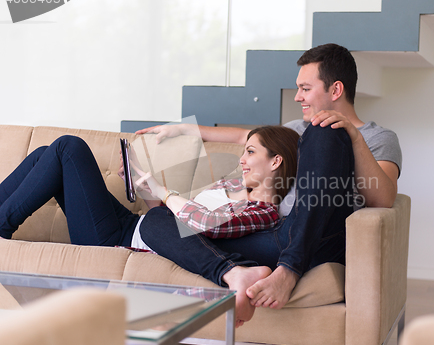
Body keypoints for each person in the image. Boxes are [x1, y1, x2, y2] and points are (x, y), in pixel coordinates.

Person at [136, 43, 402, 317]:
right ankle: (234, 274)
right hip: (277, 233)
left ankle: (289, 271)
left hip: (324, 236)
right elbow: (245, 137)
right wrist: (185, 129)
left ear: (336, 90)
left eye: (306, 89)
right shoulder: (295, 129)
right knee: (156, 221)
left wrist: (353, 137)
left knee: (326, 131)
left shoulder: (378, 137)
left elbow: (382, 198)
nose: (298, 97)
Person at [0, 125, 299, 327]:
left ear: (275, 162)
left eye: (250, 152)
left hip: (117, 240)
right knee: (46, 153)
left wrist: (158, 188)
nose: (241, 159)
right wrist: (138, 183)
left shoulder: (265, 211)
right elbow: (166, 220)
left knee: (69, 147)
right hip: (134, 225)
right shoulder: (234, 188)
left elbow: (206, 225)